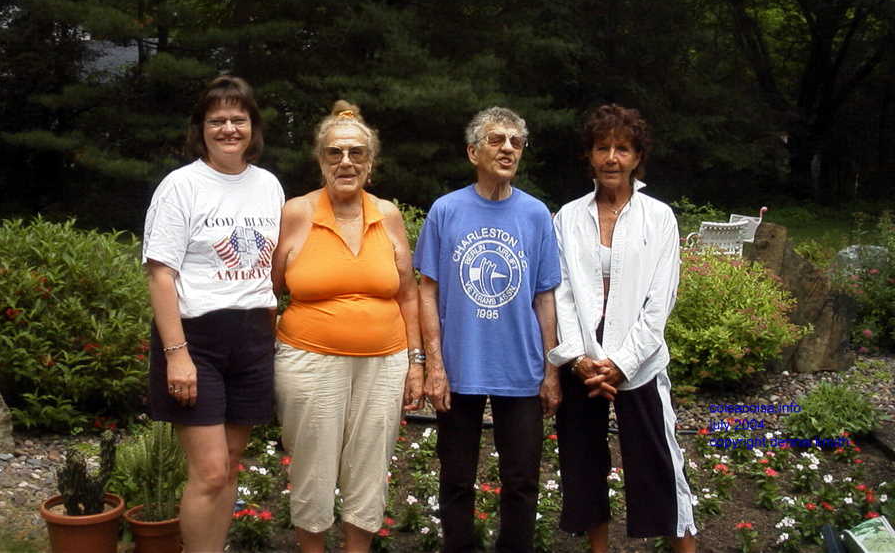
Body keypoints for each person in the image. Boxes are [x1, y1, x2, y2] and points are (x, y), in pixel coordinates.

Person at [272, 101, 424, 553]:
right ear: (320, 160)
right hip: (308, 360)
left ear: (371, 163)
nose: (346, 162)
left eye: (357, 153)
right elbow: (270, 290)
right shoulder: (296, 213)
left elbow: (408, 294)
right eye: (335, 153)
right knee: (312, 467)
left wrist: (416, 363)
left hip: (384, 362)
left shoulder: (388, 215)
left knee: (370, 467)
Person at [142, 75, 284, 553]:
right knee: (209, 471)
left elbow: (275, 265)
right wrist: (176, 355)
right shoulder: (180, 187)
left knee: (232, 462)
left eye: (238, 119)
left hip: (252, 338)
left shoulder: (268, 186)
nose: (228, 129)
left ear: (253, 126)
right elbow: (160, 276)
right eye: (217, 120)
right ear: (200, 128)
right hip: (195, 341)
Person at [546, 104, 697, 552]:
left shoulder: (659, 217)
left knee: (660, 465)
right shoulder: (568, 217)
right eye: (602, 147)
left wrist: (621, 364)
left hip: (641, 365)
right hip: (583, 365)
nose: (612, 157)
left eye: (622, 148)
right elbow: (561, 292)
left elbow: (659, 301)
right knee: (584, 465)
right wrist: (580, 359)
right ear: (589, 156)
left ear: (637, 157)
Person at [415, 106, 561, 553]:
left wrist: (552, 369)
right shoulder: (446, 211)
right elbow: (426, 292)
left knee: (522, 480)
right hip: (459, 369)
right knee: (456, 478)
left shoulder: (536, 215)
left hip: (521, 368)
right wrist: (433, 365)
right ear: (472, 151)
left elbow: (545, 296)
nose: (508, 149)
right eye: (497, 140)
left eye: (516, 142)